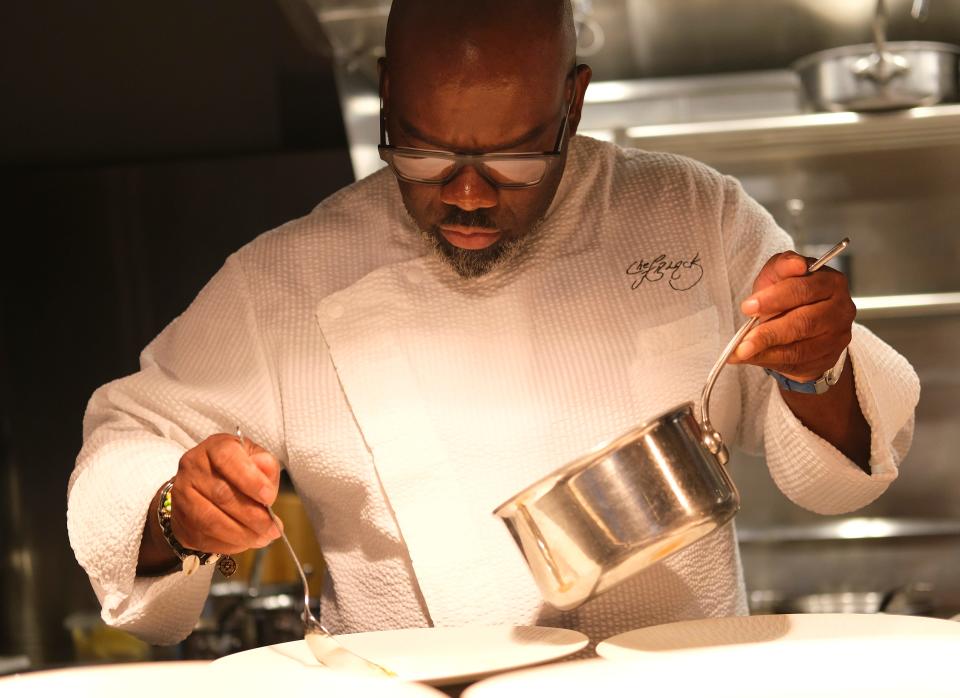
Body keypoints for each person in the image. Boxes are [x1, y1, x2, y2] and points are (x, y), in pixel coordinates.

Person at [68, 0, 919, 647]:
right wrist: (179, 507)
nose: (468, 192)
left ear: (573, 103)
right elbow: (124, 440)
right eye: (426, 149)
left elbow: (839, 479)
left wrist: (818, 368)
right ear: (387, 95)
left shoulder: (692, 214)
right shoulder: (285, 278)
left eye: (514, 155)